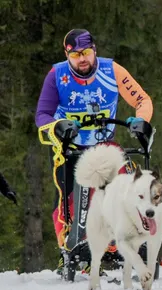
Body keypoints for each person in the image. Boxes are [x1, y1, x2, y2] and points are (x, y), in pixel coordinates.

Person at [35, 29, 154, 275]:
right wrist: (57, 125)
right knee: (67, 202)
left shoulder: (112, 71)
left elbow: (142, 100)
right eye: (76, 55)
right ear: (67, 55)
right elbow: (42, 115)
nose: (82, 59)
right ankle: (68, 249)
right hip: (68, 149)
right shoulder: (57, 75)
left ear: (95, 51)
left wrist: (141, 120)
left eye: (86, 53)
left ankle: (120, 237)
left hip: (104, 146)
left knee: (121, 184)